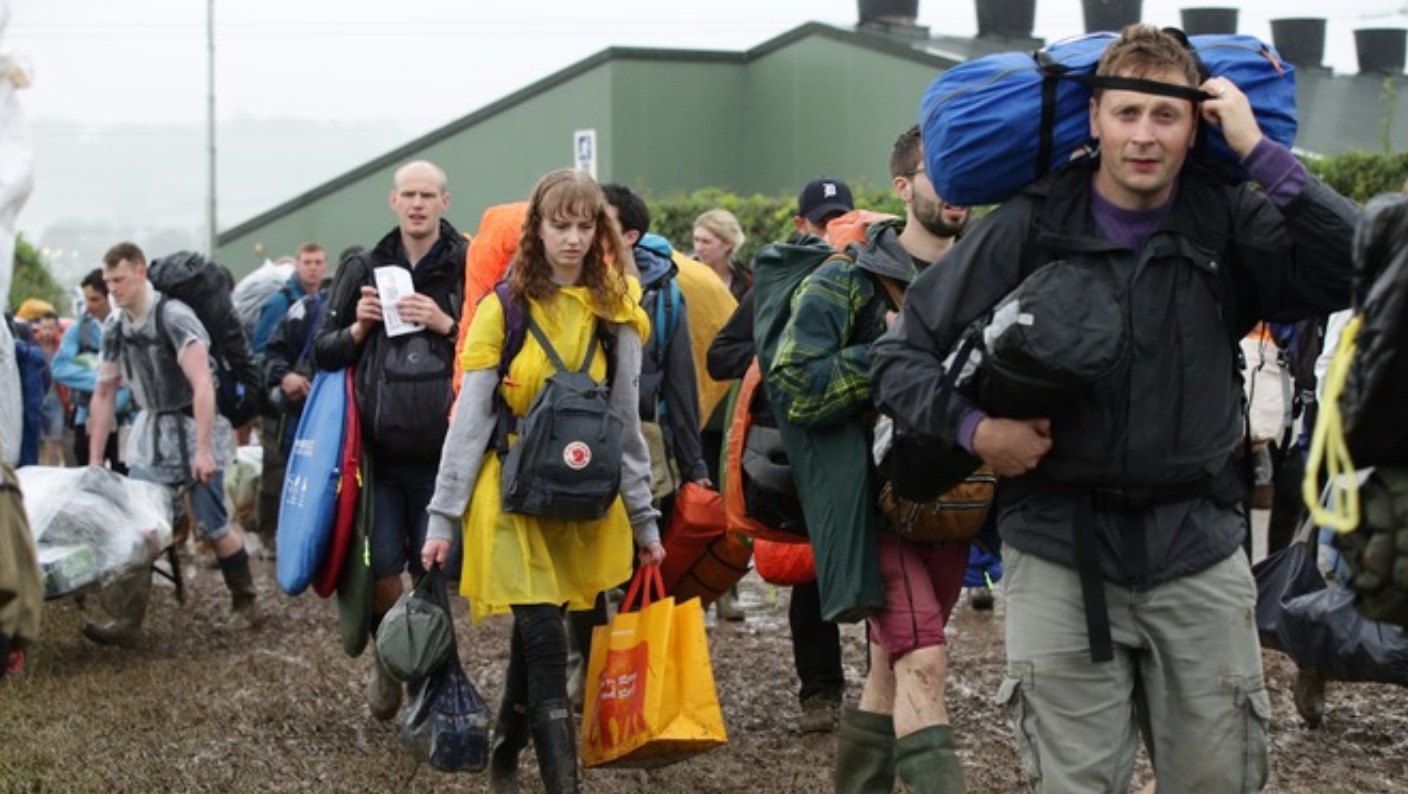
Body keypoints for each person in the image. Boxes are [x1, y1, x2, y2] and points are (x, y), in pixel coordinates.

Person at [871, 25, 1357, 793]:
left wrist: (1264, 155)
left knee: (1218, 780)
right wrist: (977, 430)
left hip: (1198, 545)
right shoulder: (1030, 224)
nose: (1143, 136)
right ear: (1093, 119)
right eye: (1125, 113)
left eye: (1165, 117)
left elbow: (1351, 267)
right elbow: (899, 358)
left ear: (1197, 126)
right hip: (1058, 549)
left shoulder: (1226, 218)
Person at [420, 168, 665, 794]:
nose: (574, 238)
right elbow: (469, 422)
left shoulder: (617, 311)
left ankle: (504, 747)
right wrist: (442, 517)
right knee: (546, 639)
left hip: (583, 501)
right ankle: (565, 784)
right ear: (537, 228)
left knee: (539, 643)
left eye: (587, 226)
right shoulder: (501, 308)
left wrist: (644, 520)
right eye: (561, 224)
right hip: (507, 497)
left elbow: (625, 423)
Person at [771, 127, 971, 792]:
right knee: (924, 658)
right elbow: (795, 387)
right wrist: (890, 354)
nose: (959, 185)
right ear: (903, 186)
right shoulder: (846, 281)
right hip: (873, 509)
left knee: (893, 662)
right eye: (940, 170)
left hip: (955, 507)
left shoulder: (990, 272)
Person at [312, 161, 466, 722]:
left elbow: (497, 349)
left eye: (428, 194)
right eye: (409, 195)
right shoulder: (364, 265)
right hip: (374, 460)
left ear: (445, 201)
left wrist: (445, 323)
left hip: (443, 457)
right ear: (392, 201)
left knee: (432, 575)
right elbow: (322, 353)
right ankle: (389, 657)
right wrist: (357, 329)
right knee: (380, 574)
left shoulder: (466, 265)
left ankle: (430, 685)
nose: (418, 203)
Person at [706, 176, 855, 733]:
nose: (830, 231)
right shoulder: (777, 282)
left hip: (865, 442)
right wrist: (786, 353)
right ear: (801, 226)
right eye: (821, 222)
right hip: (801, 449)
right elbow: (721, 356)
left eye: (840, 220)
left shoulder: (875, 273)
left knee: (887, 568)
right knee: (809, 572)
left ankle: (895, 694)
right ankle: (821, 693)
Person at [83, 241, 261, 647]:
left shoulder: (176, 317)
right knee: (143, 524)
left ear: (141, 272)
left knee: (213, 524)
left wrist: (202, 450)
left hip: (195, 425)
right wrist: (95, 459)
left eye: (120, 279)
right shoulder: (115, 326)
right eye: (108, 281)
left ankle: (245, 602)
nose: (114, 288)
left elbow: (202, 385)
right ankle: (128, 620)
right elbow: (105, 392)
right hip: (152, 430)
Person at [251, 242, 328, 556]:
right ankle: (267, 536)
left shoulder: (326, 302)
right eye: (307, 261)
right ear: (297, 264)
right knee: (276, 471)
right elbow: (260, 353)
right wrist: (283, 379)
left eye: (318, 262)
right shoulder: (279, 303)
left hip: (310, 404)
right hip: (279, 405)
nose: (313, 267)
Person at [51, 268, 129, 471]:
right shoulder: (79, 330)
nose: (89, 306)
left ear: (109, 297)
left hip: (127, 419)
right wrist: (101, 379)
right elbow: (59, 368)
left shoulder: (128, 326)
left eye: (95, 299)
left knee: (128, 474)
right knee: (87, 473)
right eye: (86, 299)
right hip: (86, 415)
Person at [693, 208, 749, 302]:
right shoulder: (683, 276)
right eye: (696, 240)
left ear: (728, 244)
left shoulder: (747, 282)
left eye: (706, 242)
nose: (698, 248)